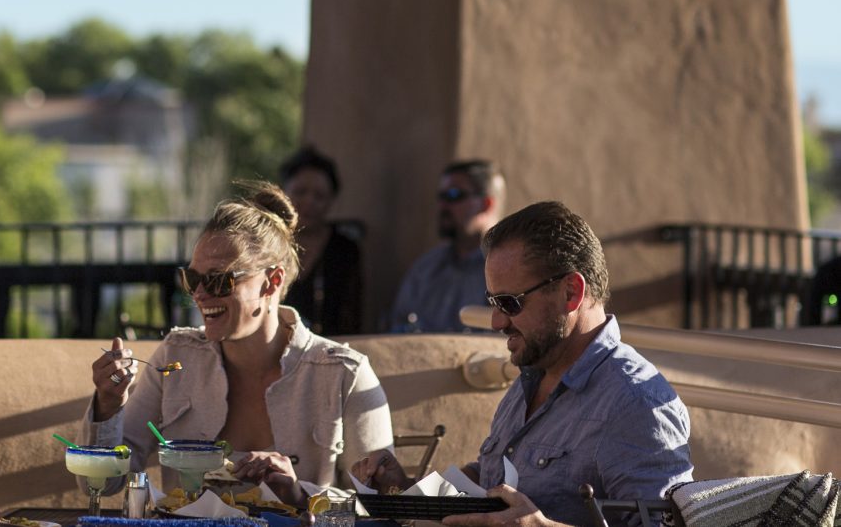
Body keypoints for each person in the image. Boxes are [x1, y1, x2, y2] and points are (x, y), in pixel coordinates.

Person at [353, 201, 693, 527]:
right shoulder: (534, 375)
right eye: (492, 302)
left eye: (509, 303)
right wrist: (407, 492)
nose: (497, 322)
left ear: (571, 293)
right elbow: (496, 489)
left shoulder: (635, 404)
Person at [82, 182, 394, 506]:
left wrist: (301, 496)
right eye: (192, 279)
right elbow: (104, 483)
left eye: (219, 280)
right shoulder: (177, 358)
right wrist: (107, 404)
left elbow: (381, 505)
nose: (200, 295)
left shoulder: (344, 374)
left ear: (271, 281)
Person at [389, 159, 506, 332]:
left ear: (486, 204)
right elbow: (397, 328)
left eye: (453, 195)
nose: (442, 205)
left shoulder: (509, 270)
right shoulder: (425, 269)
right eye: (441, 197)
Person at [279, 146, 365, 335]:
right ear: (282, 192)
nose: (309, 202)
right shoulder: (267, 244)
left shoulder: (344, 251)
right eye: (300, 192)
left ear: (331, 201)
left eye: (319, 196)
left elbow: (351, 321)